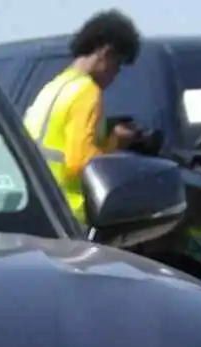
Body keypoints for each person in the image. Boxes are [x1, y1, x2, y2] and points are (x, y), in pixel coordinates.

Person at [23, 10, 143, 222]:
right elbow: (80, 162)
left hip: (41, 206)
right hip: (70, 214)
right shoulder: (87, 92)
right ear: (106, 53)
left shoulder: (55, 86)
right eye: (118, 65)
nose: (116, 74)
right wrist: (116, 142)